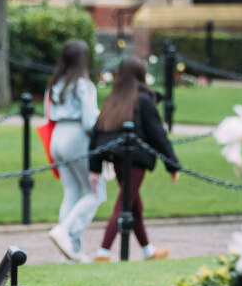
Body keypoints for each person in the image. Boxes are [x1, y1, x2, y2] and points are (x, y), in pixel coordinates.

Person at [87, 57, 179, 262]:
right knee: (124, 204)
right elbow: (158, 135)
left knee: (134, 205)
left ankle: (148, 251)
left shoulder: (113, 99)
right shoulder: (143, 99)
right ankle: (103, 251)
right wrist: (172, 165)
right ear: (141, 74)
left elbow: (97, 134)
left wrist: (95, 165)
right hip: (134, 159)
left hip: (114, 157)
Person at [44, 39, 103, 262]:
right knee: (96, 193)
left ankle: (70, 253)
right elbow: (89, 122)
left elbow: (46, 114)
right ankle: (66, 233)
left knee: (71, 192)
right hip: (77, 136)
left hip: (57, 135)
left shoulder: (55, 84)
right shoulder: (82, 85)